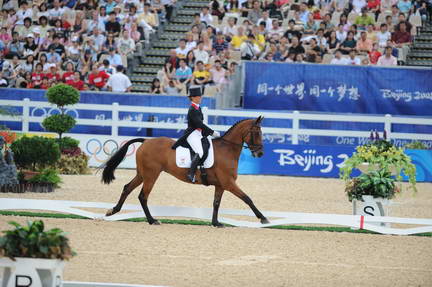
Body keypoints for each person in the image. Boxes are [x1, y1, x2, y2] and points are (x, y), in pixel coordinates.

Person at [171, 89, 220, 183]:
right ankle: (191, 173)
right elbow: (199, 124)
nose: (200, 98)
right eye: (198, 96)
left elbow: (201, 124)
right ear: (193, 98)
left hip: (198, 133)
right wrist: (212, 132)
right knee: (200, 152)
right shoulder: (192, 109)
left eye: (200, 96)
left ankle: (203, 168)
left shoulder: (198, 108)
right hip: (192, 133)